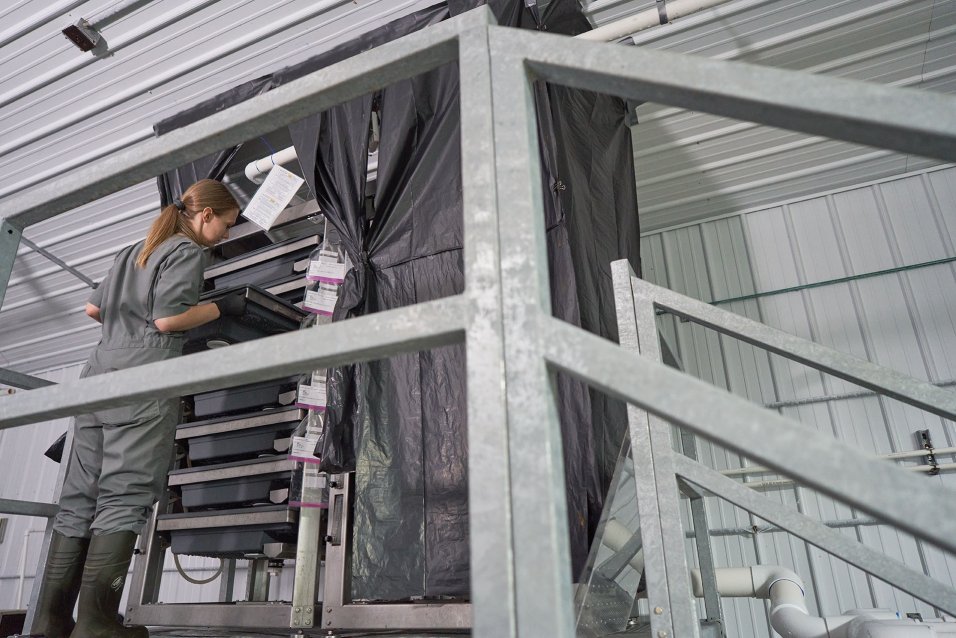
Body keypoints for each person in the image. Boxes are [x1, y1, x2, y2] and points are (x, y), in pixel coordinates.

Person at [29, 179, 248, 638]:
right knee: (124, 496)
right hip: (142, 382)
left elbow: (93, 310)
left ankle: (50, 622)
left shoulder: (135, 248)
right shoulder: (187, 252)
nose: (225, 236)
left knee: (78, 500)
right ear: (205, 215)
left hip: (97, 380)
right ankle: (96, 623)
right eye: (226, 226)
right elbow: (168, 319)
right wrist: (219, 309)